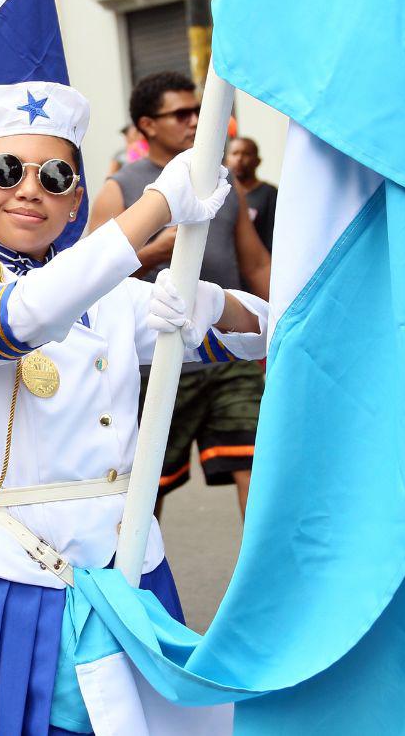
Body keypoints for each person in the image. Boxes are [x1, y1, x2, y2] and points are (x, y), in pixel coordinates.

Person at [0, 81, 267, 732]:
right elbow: (23, 316)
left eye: (54, 176)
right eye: (6, 170)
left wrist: (208, 304)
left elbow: (260, 333)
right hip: (12, 570)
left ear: (76, 202)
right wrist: (157, 204)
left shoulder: (109, 298)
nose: (29, 190)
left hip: (125, 561)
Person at [90, 71, 271, 516]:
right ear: (148, 124)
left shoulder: (223, 184)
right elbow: (88, 281)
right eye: (181, 113)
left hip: (228, 353)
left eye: (198, 110)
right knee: (147, 491)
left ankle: (262, 584)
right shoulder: (121, 188)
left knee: (257, 464)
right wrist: (156, 250)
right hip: (158, 358)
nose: (195, 120)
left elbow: (257, 265)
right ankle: (137, 579)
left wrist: (287, 327)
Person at [225, 135, 277, 251]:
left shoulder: (269, 193)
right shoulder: (221, 193)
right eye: (235, 153)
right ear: (227, 159)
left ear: (257, 161)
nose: (239, 158)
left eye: (246, 154)